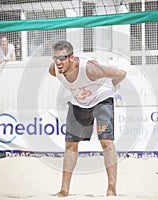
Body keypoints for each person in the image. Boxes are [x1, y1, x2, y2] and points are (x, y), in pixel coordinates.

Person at [49, 40, 126, 197]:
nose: (58, 62)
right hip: (79, 101)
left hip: (101, 96)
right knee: (70, 145)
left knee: (106, 141)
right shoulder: (54, 70)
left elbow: (121, 74)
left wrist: (115, 84)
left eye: (62, 58)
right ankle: (64, 190)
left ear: (72, 58)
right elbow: (56, 67)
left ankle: (111, 189)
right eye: (55, 58)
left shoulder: (90, 69)